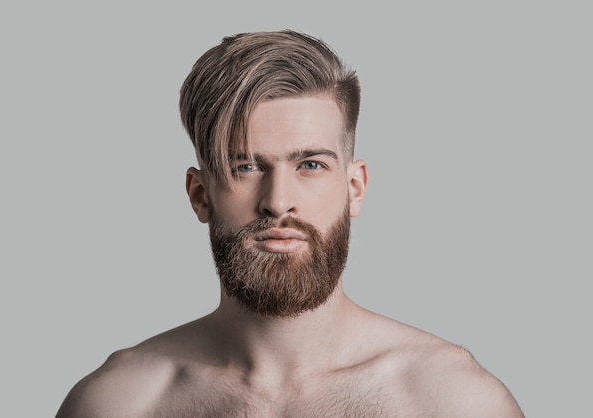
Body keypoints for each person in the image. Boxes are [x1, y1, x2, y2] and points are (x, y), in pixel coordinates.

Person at [56, 30, 524, 417]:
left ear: (354, 187)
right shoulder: (120, 404)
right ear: (200, 195)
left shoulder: (452, 401)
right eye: (246, 167)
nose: (278, 203)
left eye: (311, 165)